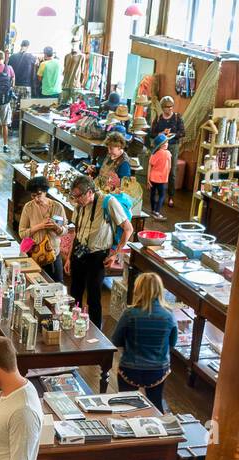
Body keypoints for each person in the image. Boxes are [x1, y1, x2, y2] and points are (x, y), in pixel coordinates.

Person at [66, 173, 132, 332]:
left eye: (78, 196)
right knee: (74, 292)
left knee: (94, 297)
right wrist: (69, 257)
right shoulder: (79, 205)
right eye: (73, 196)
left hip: (97, 255)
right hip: (79, 252)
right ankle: (73, 326)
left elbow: (128, 229)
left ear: (90, 192)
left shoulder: (108, 202)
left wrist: (115, 254)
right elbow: (76, 232)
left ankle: (95, 334)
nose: (76, 200)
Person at [110, 272, 178, 411]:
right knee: (156, 404)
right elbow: (173, 343)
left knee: (125, 406)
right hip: (158, 371)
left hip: (130, 370)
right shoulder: (169, 315)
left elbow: (116, 340)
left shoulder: (130, 314)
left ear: (138, 289)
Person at [18, 176, 65, 283]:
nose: (36, 199)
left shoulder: (57, 207)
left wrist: (56, 227)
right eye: (33, 196)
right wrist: (40, 226)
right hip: (35, 254)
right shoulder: (28, 207)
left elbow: (64, 231)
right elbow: (22, 233)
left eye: (39, 195)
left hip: (53, 255)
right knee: (34, 285)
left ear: (45, 192)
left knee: (57, 285)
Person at [148, 96, 184, 208]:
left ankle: (171, 196)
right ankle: (157, 194)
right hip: (160, 147)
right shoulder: (159, 118)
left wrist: (172, 134)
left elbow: (182, 132)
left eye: (171, 107)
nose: (169, 109)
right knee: (157, 170)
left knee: (171, 172)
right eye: (167, 107)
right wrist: (161, 134)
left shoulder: (177, 118)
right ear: (163, 108)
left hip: (173, 146)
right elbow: (152, 133)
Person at [147, 133, 171, 220]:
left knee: (152, 194)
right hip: (162, 179)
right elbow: (169, 167)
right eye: (164, 143)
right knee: (162, 195)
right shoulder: (168, 153)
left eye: (167, 142)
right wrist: (167, 176)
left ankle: (153, 210)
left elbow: (150, 166)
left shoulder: (154, 154)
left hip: (153, 178)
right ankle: (157, 212)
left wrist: (147, 179)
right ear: (160, 145)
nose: (166, 144)